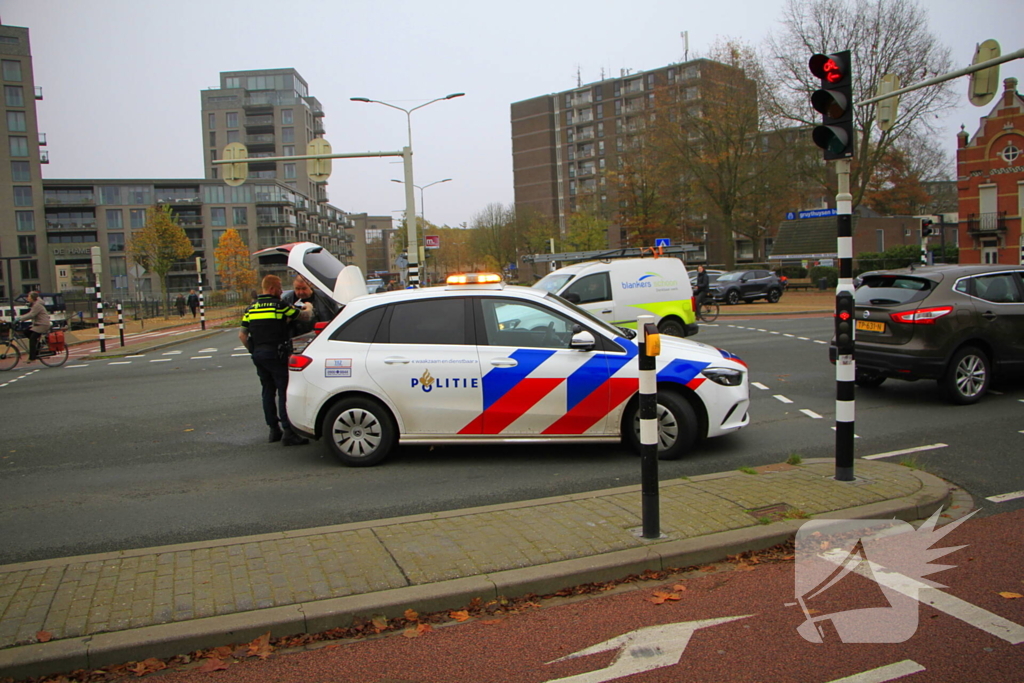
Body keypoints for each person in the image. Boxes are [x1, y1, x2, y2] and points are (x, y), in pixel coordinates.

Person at [239, 275, 311, 446]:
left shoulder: (250, 309)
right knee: (283, 390)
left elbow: (242, 335)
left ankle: (273, 429)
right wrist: (308, 307)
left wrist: (254, 351)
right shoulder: (279, 306)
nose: (281, 291)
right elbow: (303, 317)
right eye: (279, 288)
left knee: (267, 390)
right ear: (272, 289)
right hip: (276, 354)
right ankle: (289, 432)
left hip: (259, 355)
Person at [15, 291, 51, 363]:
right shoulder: (35, 304)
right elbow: (30, 314)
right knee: (26, 332)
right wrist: (21, 319)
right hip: (38, 324)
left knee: (32, 338)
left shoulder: (37, 305)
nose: (27, 298)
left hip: (43, 324)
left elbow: (31, 315)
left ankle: (32, 358)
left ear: (32, 298)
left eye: (29, 297)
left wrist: (19, 319)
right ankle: (38, 345)